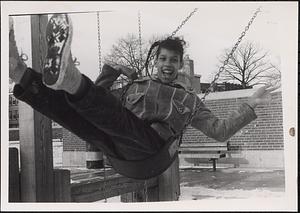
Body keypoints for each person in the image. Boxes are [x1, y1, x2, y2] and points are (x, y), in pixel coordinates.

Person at [9, 14, 277, 179]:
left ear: (181, 64)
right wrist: (111, 71)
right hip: (117, 149)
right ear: (156, 61)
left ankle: (70, 79)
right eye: (162, 59)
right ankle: (19, 72)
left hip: (151, 152)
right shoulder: (136, 86)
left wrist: (250, 104)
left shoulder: (190, 101)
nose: (167, 64)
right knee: (75, 116)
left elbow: (219, 131)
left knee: (119, 121)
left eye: (173, 60)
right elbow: (99, 101)